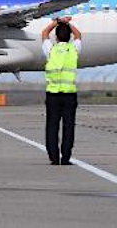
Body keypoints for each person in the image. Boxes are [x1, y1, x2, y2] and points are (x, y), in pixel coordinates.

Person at [41, 17, 81, 165]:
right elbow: (79, 36)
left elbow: (44, 33)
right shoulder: (73, 49)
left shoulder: (51, 50)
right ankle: (66, 157)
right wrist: (68, 23)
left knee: (52, 126)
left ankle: (53, 157)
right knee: (68, 127)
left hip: (53, 95)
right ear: (70, 36)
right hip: (69, 94)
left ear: (56, 37)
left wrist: (56, 22)